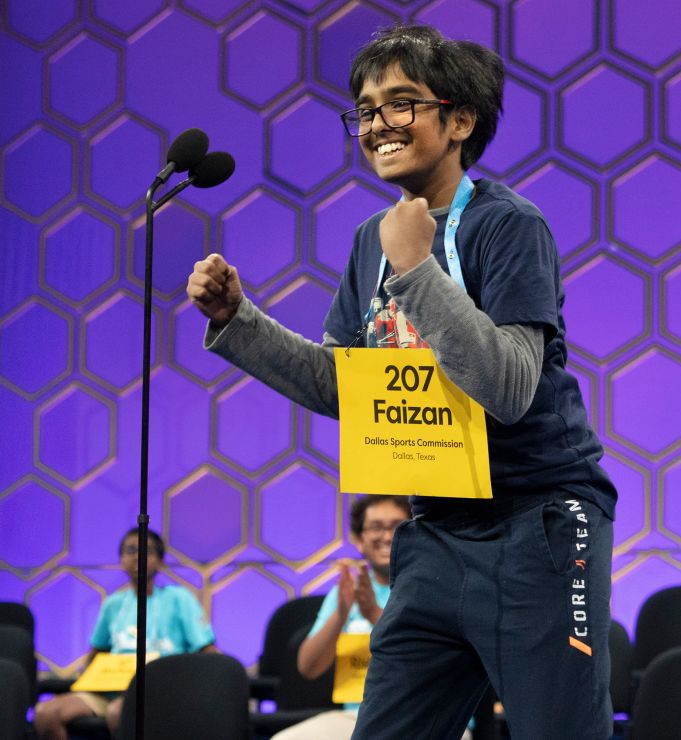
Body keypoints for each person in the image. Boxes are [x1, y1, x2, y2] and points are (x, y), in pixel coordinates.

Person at [186, 23, 617, 740]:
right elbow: (344, 386)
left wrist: (418, 271)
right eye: (364, 108)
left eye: (400, 103)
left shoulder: (509, 227)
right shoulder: (370, 241)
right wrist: (240, 319)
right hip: (438, 533)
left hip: (543, 523)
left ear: (460, 120)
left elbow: (509, 387)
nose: (376, 123)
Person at [32, 528, 216, 739]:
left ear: (160, 561)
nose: (137, 556)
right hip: (110, 691)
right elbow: (96, 653)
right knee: (45, 714)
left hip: (161, 692)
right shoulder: (113, 604)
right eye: (130, 550)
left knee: (120, 712)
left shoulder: (180, 599)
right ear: (121, 559)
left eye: (146, 551)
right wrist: (84, 682)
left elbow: (207, 651)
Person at [272, 495, 409, 740]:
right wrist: (341, 613)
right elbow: (308, 668)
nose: (387, 537)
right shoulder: (344, 592)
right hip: (358, 718)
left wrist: (374, 615)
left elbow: (424, 661)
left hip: (424, 713)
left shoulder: (431, 589)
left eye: (397, 527)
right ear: (359, 540)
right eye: (376, 527)